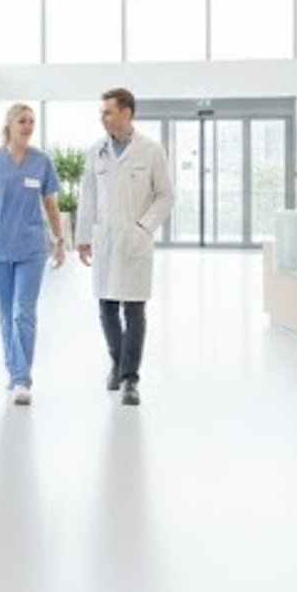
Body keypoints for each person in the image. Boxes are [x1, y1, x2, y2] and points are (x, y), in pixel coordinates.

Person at [77, 87, 173, 406]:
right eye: (101, 112)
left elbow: (165, 195)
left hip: (135, 241)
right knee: (106, 307)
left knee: (134, 308)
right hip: (105, 240)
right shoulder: (97, 151)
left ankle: (130, 379)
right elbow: (87, 197)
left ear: (127, 113)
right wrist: (83, 238)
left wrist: (144, 227)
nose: (102, 117)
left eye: (108, 111)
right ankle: (117, 363)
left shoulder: (151, 150)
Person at [0, 103, 66, 405]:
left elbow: (51, 205)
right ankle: (15, 370)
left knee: (23, 312)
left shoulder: (42, 162)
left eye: (32, 121)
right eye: (22, 121)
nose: (28, 126)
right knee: (4, 315)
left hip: (32, 248)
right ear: (9, 125)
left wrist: (60, 240)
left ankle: (21, 379)